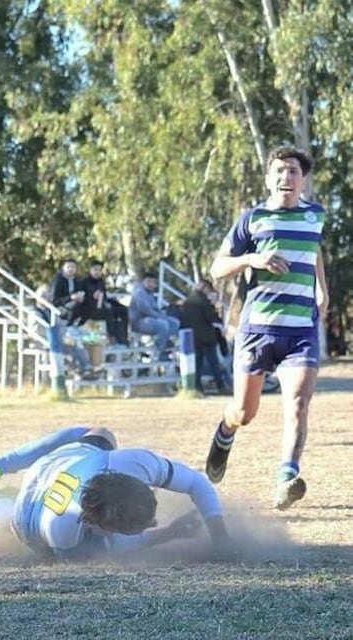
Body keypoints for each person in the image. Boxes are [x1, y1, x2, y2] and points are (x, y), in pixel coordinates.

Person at [204, 145, 327, 511]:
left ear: (302, 179)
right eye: (279, 171)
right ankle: (225, 432)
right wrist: (251, 259)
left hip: (300, 330)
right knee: (245, 412)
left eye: (293, 171)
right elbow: (216, 268)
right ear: (268, 178)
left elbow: (315, 248)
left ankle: (285, 478)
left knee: (298, 404)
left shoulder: (315, 216)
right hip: (258, 329)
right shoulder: (252, 219)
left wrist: (323, 287)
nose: (286, 177)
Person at [0, 425, 231, 560]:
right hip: (28, 515)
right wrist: (169, 533)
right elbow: (111, 550)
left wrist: (220, 536)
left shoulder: (134, 462)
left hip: (62, 461)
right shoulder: (63, 531)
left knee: (100, 433)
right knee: (11, 523)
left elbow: (197, 483)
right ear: (97, 525)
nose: (152, 522)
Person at [179, 280, 231, 395]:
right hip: (207, 337)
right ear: (205, 288)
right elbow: (210, 318)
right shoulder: (204, 301)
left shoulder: (188, 301)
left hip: (193, 337)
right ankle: (221, 386)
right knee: (214, 363)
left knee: (197, 364)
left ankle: (197, 388)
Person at [128, 271, 180, 361]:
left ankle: (167, 345)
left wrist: (163, 314)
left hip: (151, 319)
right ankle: (161, 352)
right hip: (139, 322)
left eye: (153, 282)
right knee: (163, 325)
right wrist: (161, 317)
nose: (151, 284)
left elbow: (155, 309)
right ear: (143, 282)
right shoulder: (138, 292)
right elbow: (146, 311)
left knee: (175, 322)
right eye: (148, 281)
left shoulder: (150, 293)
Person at [78, 260, 129, 345]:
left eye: (99, 270)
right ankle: (111, 337)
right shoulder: (84, 282)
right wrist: (92, 297)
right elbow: (81, 298)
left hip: (103, 305)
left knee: (123, 310)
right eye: (95, 269)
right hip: (89, 308)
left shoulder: (101, 282)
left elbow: (104, 296)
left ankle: (124, 337)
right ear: (90, 270)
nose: (97, 272)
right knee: (109, 312)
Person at [48, 258, 85, 326]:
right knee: (74, 306)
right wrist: (70, 298)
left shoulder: (76, 280)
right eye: (68, 267)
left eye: (73, 267)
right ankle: (69, 328)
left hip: (74, 304)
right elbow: (53, 299)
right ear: (63, 268)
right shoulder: (58, 280)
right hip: (60, 306)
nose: (71, 269)